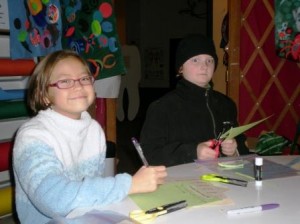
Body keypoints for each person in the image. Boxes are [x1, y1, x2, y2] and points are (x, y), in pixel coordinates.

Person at [12, 50, 167, 224]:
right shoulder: (33, 136)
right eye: (64, 81)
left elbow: (92, 189)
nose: (78, 86)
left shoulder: (93, 130)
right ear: (44, 96)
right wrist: (129, 185)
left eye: (84, 78)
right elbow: (54, 200)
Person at [140, 34, 249, 167]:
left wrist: (234, 152)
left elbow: (243, 148)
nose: (204, 66)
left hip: (224, 180)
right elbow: (149, 154)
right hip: (180, 182)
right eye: (195, 60)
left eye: (209, 60)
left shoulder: (226, 104)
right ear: (180, 68)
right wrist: (193, 152)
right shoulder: (162, 107)